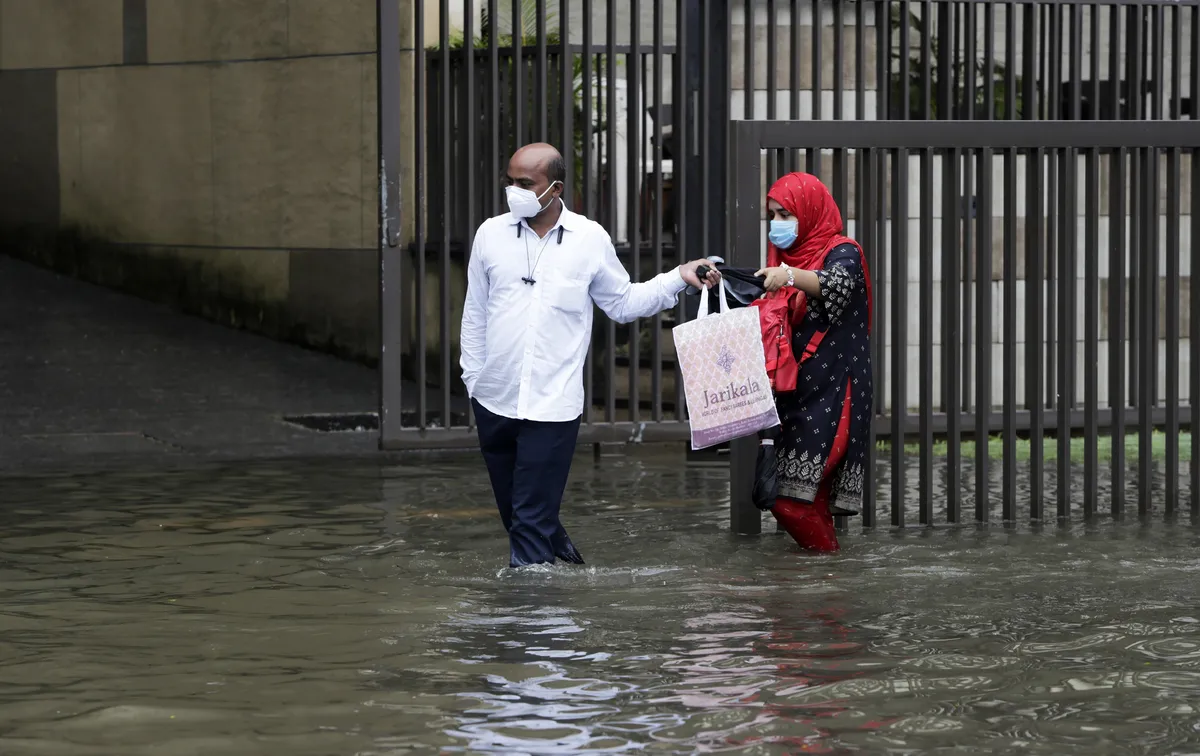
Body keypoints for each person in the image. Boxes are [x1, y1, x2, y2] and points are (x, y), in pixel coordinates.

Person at [460, 143, 720, 567]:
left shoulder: (588, 239)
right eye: (509, 181)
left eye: (525, 183)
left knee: (526, 521)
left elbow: (622, 302)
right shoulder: (490, 234)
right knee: (517, 515)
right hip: (494, 398)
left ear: (555, 188)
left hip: (552, 406)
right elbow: (474, 313)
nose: (514, 191)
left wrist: (678, 276)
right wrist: (473, 378)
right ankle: (559, 566)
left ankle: (528, 620)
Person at [752, 172, 873, 553]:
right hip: (795, 390)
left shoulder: (844, 251)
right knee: (801, 496)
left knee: (790, 502)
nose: (777, 224)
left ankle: (828, 567)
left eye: (785, 214)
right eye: (772, 214)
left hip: (836, 391)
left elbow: (835, 285)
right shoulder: (784, 260)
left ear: (810, 211)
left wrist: (788, 276)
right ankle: (820, 589)